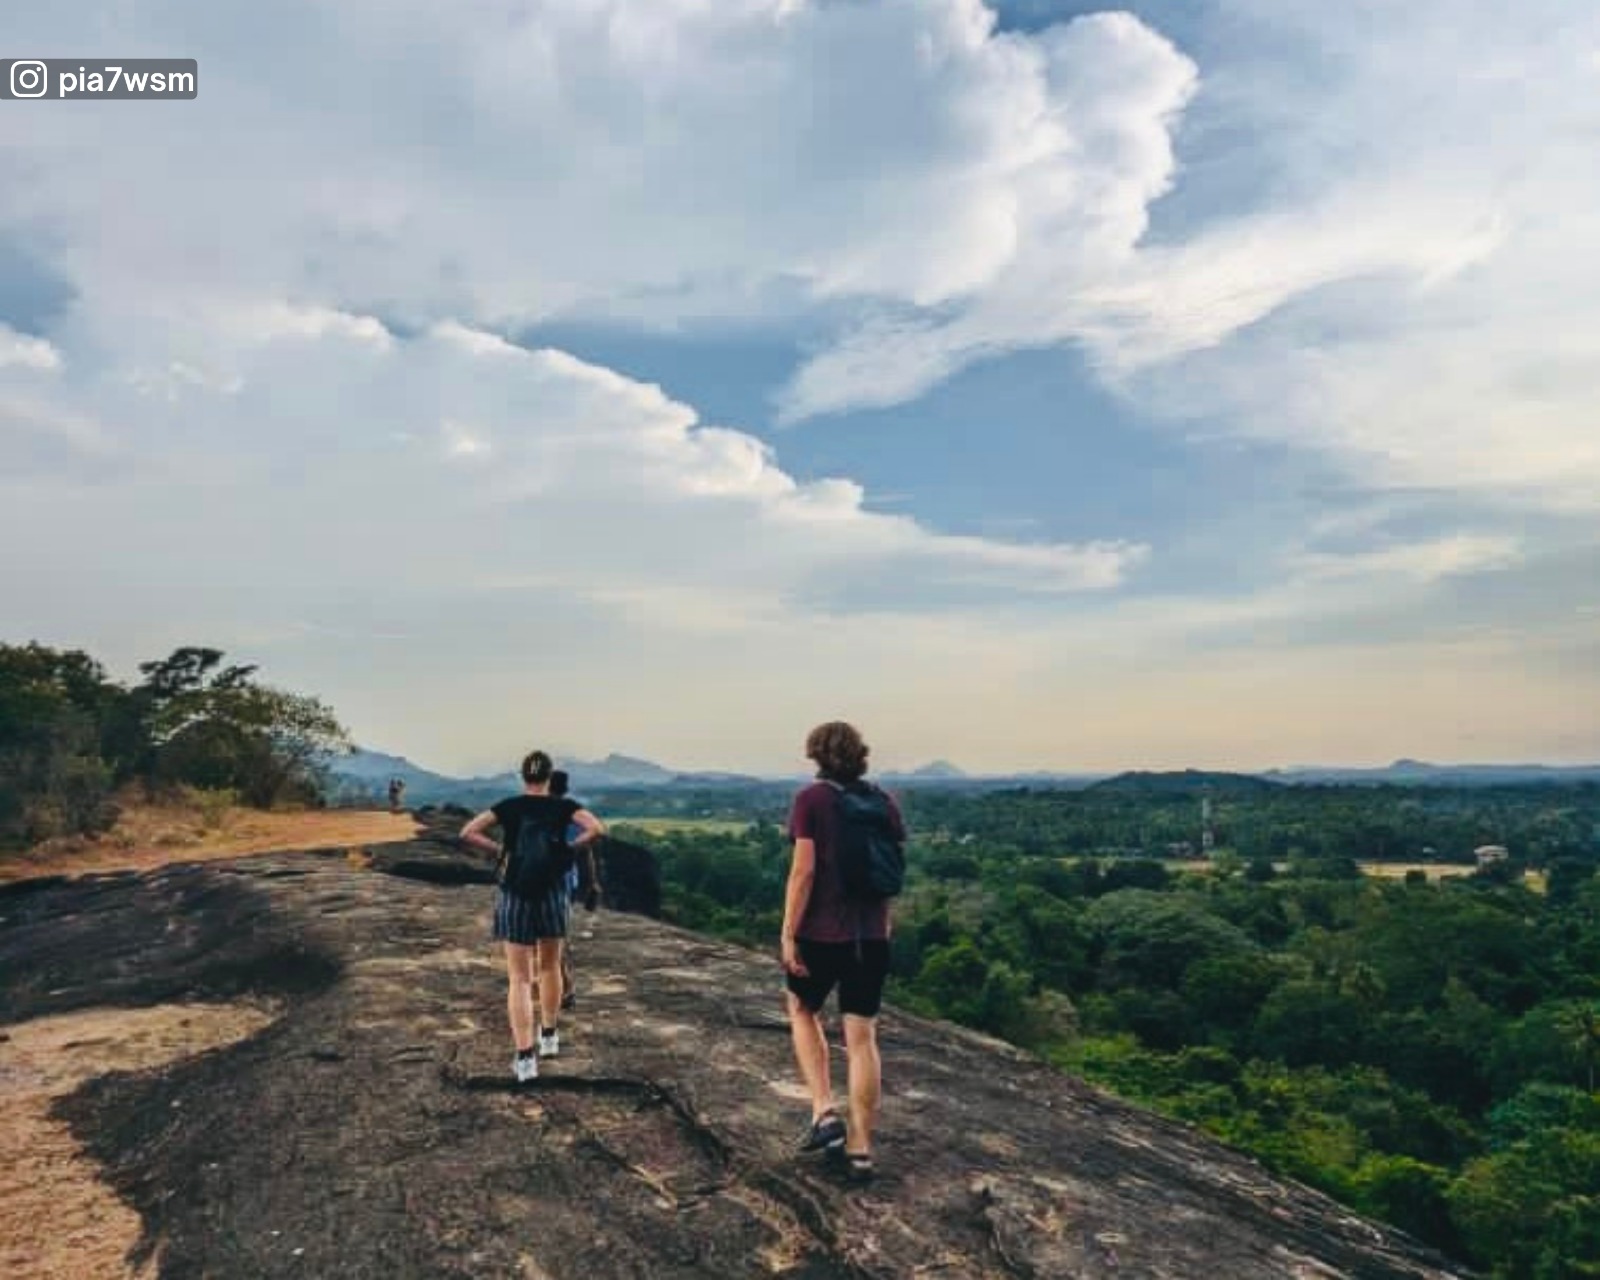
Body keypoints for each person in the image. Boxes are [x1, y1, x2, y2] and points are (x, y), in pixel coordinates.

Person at [781, 720, 905, 1183]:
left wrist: (788, 932)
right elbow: (890, 870)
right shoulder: (882, 801)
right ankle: (860, 1149)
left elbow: (803, 872)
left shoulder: (811, 800)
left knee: (801, 1009)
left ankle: (823, 1111)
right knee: (862, 1038)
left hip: (821, 932)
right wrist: (883, 926)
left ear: (816, 754)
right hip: (870, 936)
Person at [460, 750, 605, 1082]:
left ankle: (525, 1058)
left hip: (515, 891)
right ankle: (549, 1036)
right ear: (549, 777)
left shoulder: (509, 806)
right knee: (550, 965)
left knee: (520, 978)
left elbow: (467, 832)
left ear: (523, 776)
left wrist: (502, 852)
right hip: (553, 891)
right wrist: (568, 850)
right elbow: (597, 829)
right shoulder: (564, 807)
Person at [548, 770, 601, 1010]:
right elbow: (588, 850)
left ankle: (565, 988)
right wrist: (592, 883)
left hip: (551, 878)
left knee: (551, 935)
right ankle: (561, 986)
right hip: (566, 878)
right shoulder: (572, 813)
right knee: (553, 933)